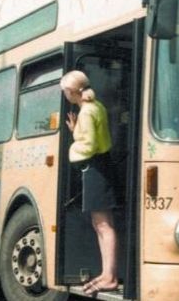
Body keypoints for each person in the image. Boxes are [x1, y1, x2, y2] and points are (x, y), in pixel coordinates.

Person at [61, 70, 118, 296]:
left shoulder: (86, 111)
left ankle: (110, 277)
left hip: (95, 168)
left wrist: (72, 150)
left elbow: (90, 145)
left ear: (71, 91)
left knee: (103, 225)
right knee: (103, 224)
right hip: (102, 166)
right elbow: (95, 136)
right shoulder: (96, 107)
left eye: (65, 90)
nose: (65, 94)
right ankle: (107, 274)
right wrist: (77, 132)